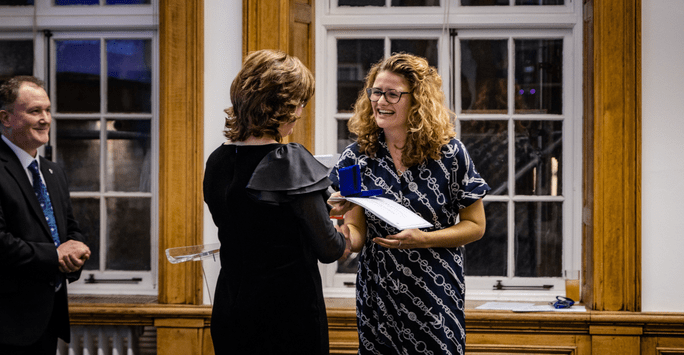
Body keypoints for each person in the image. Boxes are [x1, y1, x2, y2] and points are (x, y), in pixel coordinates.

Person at [328, 53, 490, 355]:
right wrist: (341, 234)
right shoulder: (357, 156)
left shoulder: (450, 154)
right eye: (376, 92)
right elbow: (356, 230)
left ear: (418, 100)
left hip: (435, 292)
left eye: (392, 94)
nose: (380, 101)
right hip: (378, 293)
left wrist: (424, 240)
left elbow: (476, 226)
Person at [203, 49, 348, 355]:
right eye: (297, 103)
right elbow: (329, 249)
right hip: (287, 318)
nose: (299, 112)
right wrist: (352, 226)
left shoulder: (217, 159)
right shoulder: (288, 162)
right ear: (277, 106)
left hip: (231, 309)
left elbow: (251, 223)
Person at [0, 76, 91, 354]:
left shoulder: (53, 171)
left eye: (48, 110)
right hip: (7, 325)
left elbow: (68, 229)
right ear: (5, 117)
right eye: (34, 111)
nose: (45, 119)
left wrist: (77, 248)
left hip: (48, 320)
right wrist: (56, 256)